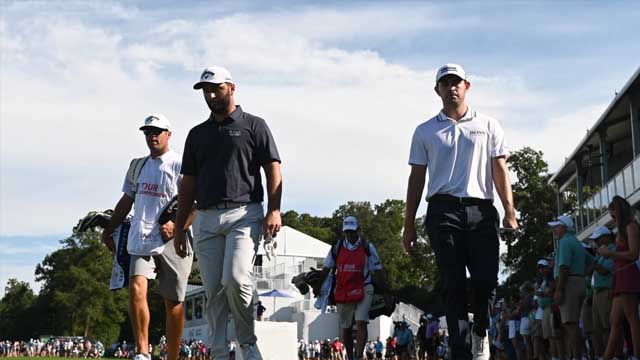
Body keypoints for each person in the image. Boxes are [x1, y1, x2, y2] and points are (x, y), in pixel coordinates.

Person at [403, 63, 518, 360]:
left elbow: (499, 169)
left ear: (467, 86)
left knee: (486, 281)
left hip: (481, 209)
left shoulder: (489, 125)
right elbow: (416, 178)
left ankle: (481, 330)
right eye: (445, 83)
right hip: (442, 211)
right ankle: (460, 351)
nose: (451, 87)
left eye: (457, 82)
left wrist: (510, 211)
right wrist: (408, 224)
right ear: (437, 89)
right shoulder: (425, 131)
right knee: (452, 282)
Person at [174, 66, 282, 360]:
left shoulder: (254, 125)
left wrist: (274, 209)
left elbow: (273, 168)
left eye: (215, 89)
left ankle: (247, 342)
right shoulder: (196, 134)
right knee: (213, 290)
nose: (210, 95)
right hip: (206, 219)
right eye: (205, 91)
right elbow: (189, 184)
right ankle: (219, 351)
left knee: (234, 279)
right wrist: (181, 226)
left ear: (231, 88)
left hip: (245, 214)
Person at [102, 114, 194, 360]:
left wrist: (177, 225)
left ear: (168, 134)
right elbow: (126, 200)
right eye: (147, 132)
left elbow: (196, 201)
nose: (152, 136)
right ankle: (142, 351)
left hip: (173, 241)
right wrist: (109, 229)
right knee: (136, 287)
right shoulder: (137, 165)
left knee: (173, 302)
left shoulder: (180, 164)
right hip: (142, 237)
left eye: (157, 131)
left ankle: (173, 356)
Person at [320, 216, 383, 360]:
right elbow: (326, 267)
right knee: (346, 328)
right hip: (344, 289)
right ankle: (350, 356)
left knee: (361, 321)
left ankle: (359, 356)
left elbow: (378, 269)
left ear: (358, 230)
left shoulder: (367, 247)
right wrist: (319, 287)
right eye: (347, 232)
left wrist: (385, 291)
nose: (350, 235)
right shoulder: (337, 246)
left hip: (364, 286)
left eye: (352, 231)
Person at [597, 196, 640, 360]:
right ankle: (608, 356)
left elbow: (634, 253)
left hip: (628, 275)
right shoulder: (623, 229)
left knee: (631, 318)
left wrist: (611, 253)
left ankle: (636, 354)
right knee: (614, 321)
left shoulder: (631, 226)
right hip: (620, 276)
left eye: (613, 215)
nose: (613, 218)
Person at [549, 215, 592, 360]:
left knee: (570, 324)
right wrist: (581, 275)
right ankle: (580, 355)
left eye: (557, 227)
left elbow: (564, 268)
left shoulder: (565, 242)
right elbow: (592, 262)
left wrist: (559, 289)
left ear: (564, 228)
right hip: (578, 282)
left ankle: (579, 357)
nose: (555, 230)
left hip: (569, 284)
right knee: (573, 323)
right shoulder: (576, 242)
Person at [588, 225, 616, 360]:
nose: (596, 242)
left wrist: (592, 263)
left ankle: (615, 354)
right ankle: (605, 354)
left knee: (609, 326)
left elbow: (606, 271)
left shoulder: (612, 251)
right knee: (599, 328)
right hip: (597, 293)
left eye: (598, 239)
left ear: (606, 238)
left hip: (606, 292)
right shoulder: (602, 254)